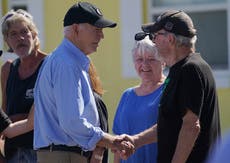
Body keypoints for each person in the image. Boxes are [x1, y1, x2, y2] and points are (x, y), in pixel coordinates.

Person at [33, 2, 134, 163]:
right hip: (63, 155)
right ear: (75, 29)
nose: (101, 36)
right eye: (96, 29)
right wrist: (111, 141)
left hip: (62, 153)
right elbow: (72, 122)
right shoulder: (67, 63)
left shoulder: (65, 60)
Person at [121, 10, 221, 163]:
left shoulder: (190, 69)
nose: (153, 41)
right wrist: (136, 140)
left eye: (155, 36)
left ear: (170, 39)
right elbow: (169, 123)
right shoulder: (180, 70)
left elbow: (191, 126)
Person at [0, 9, 46, 163]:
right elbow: (5, 109)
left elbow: (50, 112)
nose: (20, 38)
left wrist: (13, 121)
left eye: (24, 31)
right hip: (12, 151)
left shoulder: (49, 65)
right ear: (7, 41)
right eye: (13, 34)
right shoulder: (7, 69)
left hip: (41, 150)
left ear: (34, 34)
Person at [113, 36, 165, 163]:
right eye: (139, 59)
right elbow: (118, 144)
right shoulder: (127, 95)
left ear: (163, 61)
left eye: (151, 59)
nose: (144, 65)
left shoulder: (169, 90)